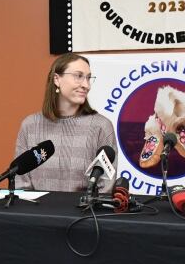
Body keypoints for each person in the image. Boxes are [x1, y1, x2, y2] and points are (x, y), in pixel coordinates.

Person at [14, 53, 117, 193]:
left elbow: (105, 187)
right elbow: (21, 183)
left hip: (85, 214)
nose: (86, 85)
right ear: (57, 79)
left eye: (88, 78)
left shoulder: (101, 126)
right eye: (78, 76)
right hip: (37, 213)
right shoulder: (30, 126)